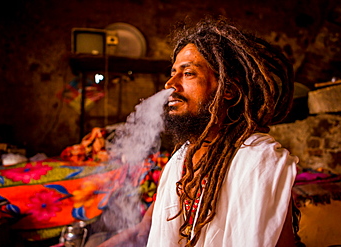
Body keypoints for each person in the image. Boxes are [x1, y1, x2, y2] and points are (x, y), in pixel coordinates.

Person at [98, 16, 298, 247]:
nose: (170, 84)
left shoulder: (258, 160)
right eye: (173, 72)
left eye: (188, 73)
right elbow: (149, 228)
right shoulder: (181, 160)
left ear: (228, 90)